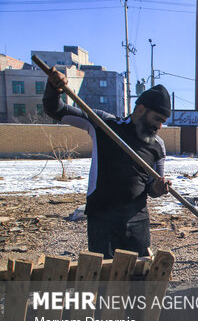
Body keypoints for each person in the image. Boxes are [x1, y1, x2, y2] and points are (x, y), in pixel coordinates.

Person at [43, 68, 171, 259]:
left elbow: (152, 189)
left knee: (139, 280)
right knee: (105, 281)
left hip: (137, 222)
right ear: (141, 109)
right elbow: (57, 110)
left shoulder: (158, 146)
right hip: (102, 221)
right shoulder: (103, 124)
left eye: (163, 121)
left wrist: (159, 188)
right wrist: (54, 88)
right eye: (157, 119)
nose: (160, 126)